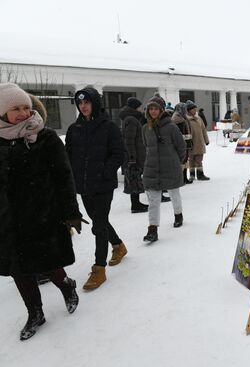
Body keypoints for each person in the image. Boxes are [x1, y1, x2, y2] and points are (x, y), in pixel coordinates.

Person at [0, 83, 85, 340]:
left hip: (42, 215)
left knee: (47, 263)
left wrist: (71, 211)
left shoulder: (45, 138)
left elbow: (63, 176)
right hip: (7, 220)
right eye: (16, 109)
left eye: (26, 107)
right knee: (19, 270)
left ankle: (66, 285)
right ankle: (35, 312)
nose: (24, 113)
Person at [65, 87, 127, 290]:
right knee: (99, 220)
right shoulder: (74, 129)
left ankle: (99, 268)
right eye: (80, 103)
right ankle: (118, 245)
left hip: (103, 185)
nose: (83, 106)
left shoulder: (108, 127)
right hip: (83, 186)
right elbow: (68, 157)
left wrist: (105, 172)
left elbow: (119, 153)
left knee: (98, 225)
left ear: (95, 103)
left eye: (87, 102)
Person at [142, 95, 187, 242]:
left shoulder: (171, 127)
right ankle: (152, 229)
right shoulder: (145, 128)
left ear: (161, 110)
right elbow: (146, 147)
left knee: (174, 193)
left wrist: (178, 161)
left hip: (170, 166)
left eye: (156, 109)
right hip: (152, 168)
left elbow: (181, 146)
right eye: (151, 109)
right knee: (153, 201)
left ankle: (178, 214)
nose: (153, 112)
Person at [120, 97, 148, 213]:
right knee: (134, 180)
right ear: (135, 108)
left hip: (134, 155)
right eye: (140, 107)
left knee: (135, 180)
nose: (142, 109)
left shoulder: (132, 119)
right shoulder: (131, 120)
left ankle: (136, 203)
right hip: (133, 157)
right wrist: (132, 157)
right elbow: (129, 140)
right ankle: (135, 205)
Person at [186, 100, 210, 181]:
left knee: (199, 160)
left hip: (199, 142)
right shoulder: (186, 119)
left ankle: (200, 174)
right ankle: (192, 175)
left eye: (195, 109)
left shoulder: (199, 118)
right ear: (189, 110)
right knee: (191, 160)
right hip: (191, 143)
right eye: (193, 109)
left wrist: (206, 140)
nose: (195, 110)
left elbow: (203, 130)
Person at [172, 102, 194, 184]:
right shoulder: (176, 118)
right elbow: (178, 134)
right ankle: (180, 179)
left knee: (185, 161)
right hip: (180, 144)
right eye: (184, 108)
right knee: (181, 161)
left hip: (186, 143)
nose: (185, 110)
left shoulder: (183, 117)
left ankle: (184, 177)